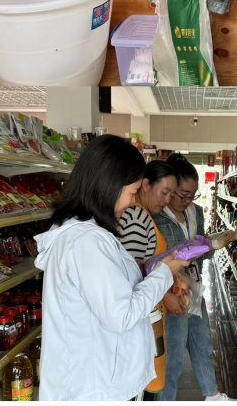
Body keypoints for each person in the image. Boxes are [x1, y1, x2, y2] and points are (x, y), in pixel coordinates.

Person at [34, 135, 189, 401]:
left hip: (95, 382)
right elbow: (121, 315)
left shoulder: (86, 235)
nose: (131, 202)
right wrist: (164, 272)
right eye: (131, 192)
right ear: (109, 185)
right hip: (91, 389)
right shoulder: (87, 242)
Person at [153, 154, 237, 401]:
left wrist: (212, 244)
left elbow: (199, 250)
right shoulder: (157, 216)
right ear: (171, 189)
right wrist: (166, 293)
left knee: (203, 344)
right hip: (172, 293)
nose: (187, 201)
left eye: (193, 195)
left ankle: (213, 395)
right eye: (182, 195)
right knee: (174, 360)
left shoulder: (196, 212)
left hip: (194, 289)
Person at [118, 160, 187, 398]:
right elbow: (132, 275)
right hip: (142, 315)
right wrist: (166, 295)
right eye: (164, 192)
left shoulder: (143, 214)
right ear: (145, 185)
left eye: (171, 194)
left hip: (146, 311)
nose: (167, 200)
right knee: (142, 384)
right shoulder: (136, 217)